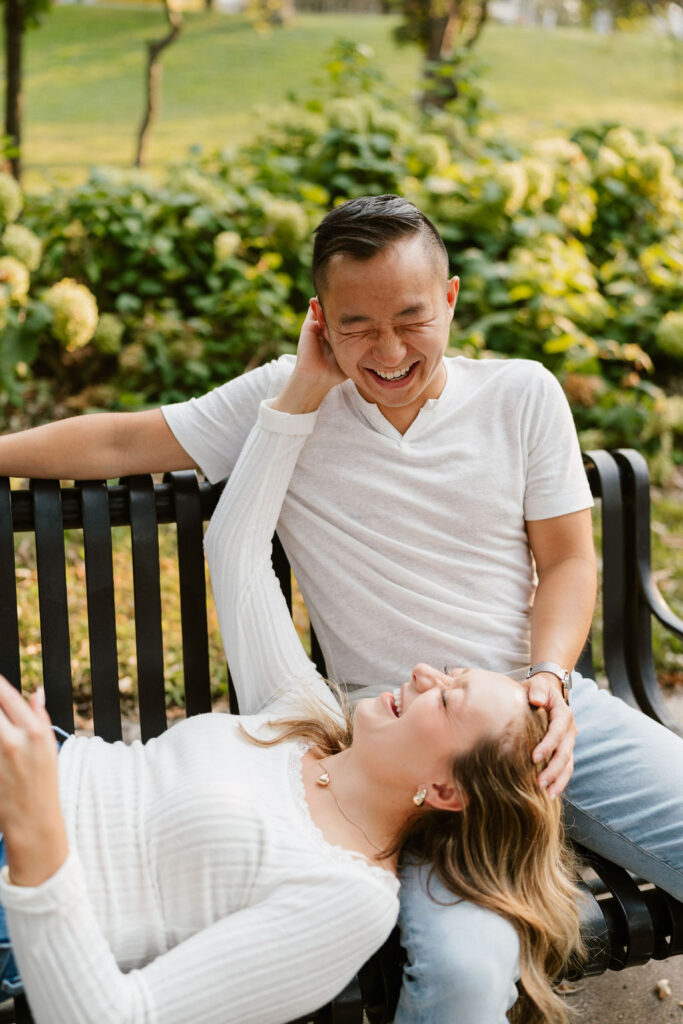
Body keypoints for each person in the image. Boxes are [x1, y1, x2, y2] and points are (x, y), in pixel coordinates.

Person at [0, 194, 681, 1024]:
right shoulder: (289, 397)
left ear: (451, 300)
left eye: (411, 318)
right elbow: (117, 444)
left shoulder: (520, 394)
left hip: (544, 699)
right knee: (466, 976)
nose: (388, 349)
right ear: (319, 318)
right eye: (357, 325)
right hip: (394, 752)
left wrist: (549, 679)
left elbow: (569, 560)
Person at [0, 357, 582, 1024]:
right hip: (36, 755)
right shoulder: (306, 718)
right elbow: (236, 550)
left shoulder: (346, 897)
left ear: (445, 792)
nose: (423, 676)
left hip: (21, 868)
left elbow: (112, 1017)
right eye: (449, 673)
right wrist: (303, 389)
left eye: (446, 699)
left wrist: (35, 828)